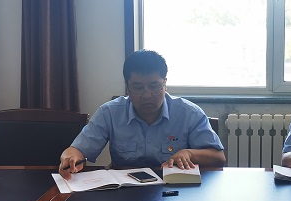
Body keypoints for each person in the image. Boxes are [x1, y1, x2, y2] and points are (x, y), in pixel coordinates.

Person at [59, 49, 225, 178]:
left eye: (154, 86)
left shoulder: (188, 113)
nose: (147, 95)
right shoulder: (109, 113)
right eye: (138, 87)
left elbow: (218, 156)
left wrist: (188, 153)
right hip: (124, 192)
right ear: (127, 87)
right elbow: (76, 150)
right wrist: (69, 159)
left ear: (165, 84)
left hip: (173, 190)